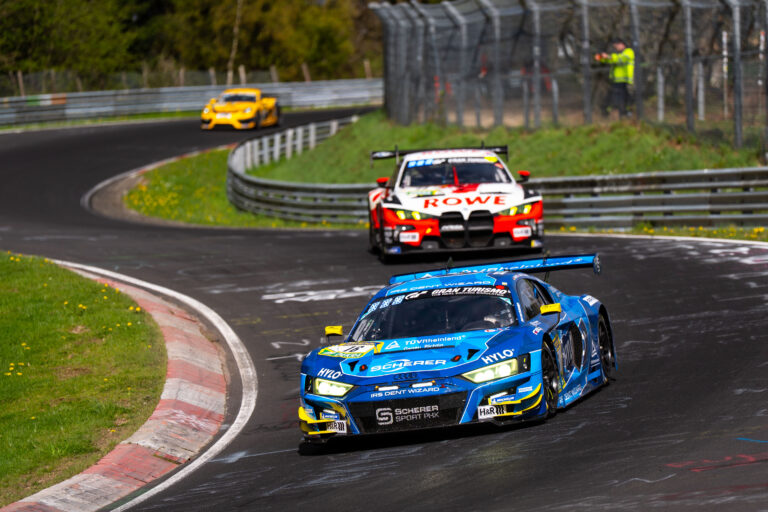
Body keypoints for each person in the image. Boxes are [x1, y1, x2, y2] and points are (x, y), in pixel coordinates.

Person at [595, 38, 635, 118]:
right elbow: (610, 60)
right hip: (617, 81)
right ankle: (613, 113)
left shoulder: (629, 52)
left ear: (622, 44)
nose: (616, 48)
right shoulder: (616, 55)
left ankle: (626, 113)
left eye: (616, 46)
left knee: (625, 98)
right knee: (613, 97)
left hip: (626, 81)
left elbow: (620, 59)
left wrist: (608, 57)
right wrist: (601, 58)